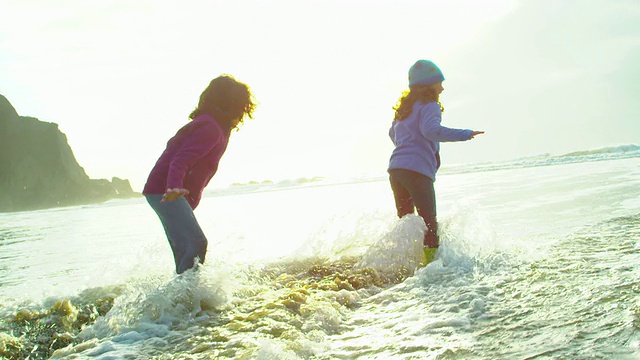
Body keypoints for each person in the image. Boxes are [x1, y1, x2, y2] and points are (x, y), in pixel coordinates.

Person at [143, 75, 256, 274]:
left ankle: (180, 300)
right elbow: (180, 159)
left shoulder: (218, 127)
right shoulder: (210, 128)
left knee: (185, 250)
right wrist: (174, 187)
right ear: (229, 103)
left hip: (165, 191)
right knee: (196, 244)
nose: (243, 110)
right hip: (166, 191)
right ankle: (185, 298)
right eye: (241, 105)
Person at [387, 60, 484, 265]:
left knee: (406, 222)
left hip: (396, 170)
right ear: (428, 84)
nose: (442, 87)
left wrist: (407, 147)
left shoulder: (405, 108)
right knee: (429, 224)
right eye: (439, 82)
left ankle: (403, 262)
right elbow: (431, 131)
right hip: (417, 172)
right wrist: (465, 134)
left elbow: (392, 133)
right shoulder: (430, 106)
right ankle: (430, 267)